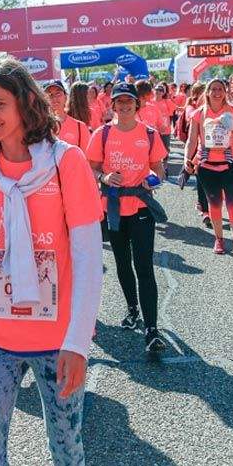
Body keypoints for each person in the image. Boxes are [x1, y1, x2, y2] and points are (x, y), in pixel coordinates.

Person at [0, 56, 103, 466]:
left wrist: (78, 343)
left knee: (67, 452)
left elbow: (87, 258)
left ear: (26, 102)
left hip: (56, 338)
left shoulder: (67, 163)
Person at [88, 82, 168, 353]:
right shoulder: (102, 134)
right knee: (123, 263)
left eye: (129, 102)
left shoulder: (148, 133)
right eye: (119, 102)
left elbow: (159, 168)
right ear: (112, 106)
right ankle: (132, 307)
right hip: (112, 207)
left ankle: (152, 329)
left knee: (144, 266)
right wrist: (104, 177)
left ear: (137, 105)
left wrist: (153, 179)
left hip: (142, 206)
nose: (124, 106)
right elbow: (91, 168)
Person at [184, 79, 233, 265]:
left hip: (232, 165)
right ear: (207, 92)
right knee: (214, 206)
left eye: (220, 89)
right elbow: (192, 140)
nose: (217, 93)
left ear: (226, 92)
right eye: (213, 89)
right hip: (207, 166)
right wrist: (186, 159)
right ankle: (219, 239)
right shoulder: (199, 114)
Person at [44, 79, 91, 150]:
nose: (54, 98)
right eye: (50, 95)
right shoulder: (38, 127)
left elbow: (86, 158)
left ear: (65, 97)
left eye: (58, 94)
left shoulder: (80, 127)